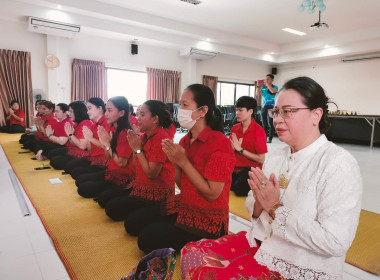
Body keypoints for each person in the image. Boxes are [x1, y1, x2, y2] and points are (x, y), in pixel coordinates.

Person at [180, 77, 362, 280]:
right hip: (262, 245)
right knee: (192, 252)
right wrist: (259, 203)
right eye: (276, 112)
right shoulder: (277, 157)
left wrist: (275, 208)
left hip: (298, 263)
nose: (277, 119)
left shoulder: (339, 164)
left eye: (288, 111)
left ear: (316, 115)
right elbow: (251, 202)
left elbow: (336, 242)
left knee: (209, 274)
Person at [133, 84, 235, 254]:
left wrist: (183, 162)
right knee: (135, 221)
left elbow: (212, 193)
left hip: (207, 217)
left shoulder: (220, 143)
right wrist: (176, 162)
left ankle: (210, 240)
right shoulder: (184, 141)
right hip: (185, 203)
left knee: (145, 239)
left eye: (185, 105)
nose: (180, 110)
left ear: (203, 111)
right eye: (180, 105)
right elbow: (182, 184)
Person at [104, 100, 175, 220]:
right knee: (107, 200)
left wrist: (137, 150)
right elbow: (135, 167)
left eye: (142, 115)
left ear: (155, 119)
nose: (138, 118)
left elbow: (151, 174)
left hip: (157, 192)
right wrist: (134, 148)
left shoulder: (161, 138)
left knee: (126, 218)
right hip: (140, 185)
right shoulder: (143, 137)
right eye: (138, 115)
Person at [76, 96, 134, 199]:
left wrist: (107, 144)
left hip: (122, 176)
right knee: (81, 183)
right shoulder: (112, 128)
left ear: (121, 113)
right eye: (106, 110)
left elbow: (121, 163)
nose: (106, 114)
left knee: (95, 195)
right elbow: (108, 156)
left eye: (109, 110)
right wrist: (107, 144)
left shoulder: (125, 133)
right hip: (111, 170)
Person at [230, 96, 267, 196]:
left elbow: (261, 159)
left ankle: (259, 183)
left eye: (241, 110)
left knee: (238, 190)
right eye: (236, 110)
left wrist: (241, 150)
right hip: (235, 167)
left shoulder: (259, 131)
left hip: (251, 169)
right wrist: (232, 149)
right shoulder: (235, 128)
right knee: (219, 181)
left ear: (250, 111)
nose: (237, 113)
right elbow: (230, 151)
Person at [64, 98, 110, 179]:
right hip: (93, 156)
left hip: (104, 159)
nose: (87, 112)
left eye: (89, 108)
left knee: (77, 175)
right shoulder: (93, 125)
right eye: (87, 109)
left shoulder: (107, 123)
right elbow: (89, 148)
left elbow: (107, 146)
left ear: (100, 108)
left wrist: (90, 139)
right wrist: (71, 135)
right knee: (71, 169)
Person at [49, 101, 92, 170]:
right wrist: (70, 135)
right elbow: (73, 143)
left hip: (84, 153)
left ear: (78, 111)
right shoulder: (77, 124)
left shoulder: (85, 123)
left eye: (71, 111)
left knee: (56, 161)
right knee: (53, 156)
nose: (69, 114)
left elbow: (82, 146)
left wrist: (70, 134)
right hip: (75, 149)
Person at [256, 74, 278, 143]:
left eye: (268, 79)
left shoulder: (275, 87)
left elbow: (272, 91)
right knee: (264, 124)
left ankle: (270, 139)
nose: (266, 80)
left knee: (270, 124)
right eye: (266, 79)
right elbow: (257, 94)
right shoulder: (263, 88)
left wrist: (267, 84)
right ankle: (264, 138)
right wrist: (258, 86)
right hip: (263, 107)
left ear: (272, 80)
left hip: (271, 107)